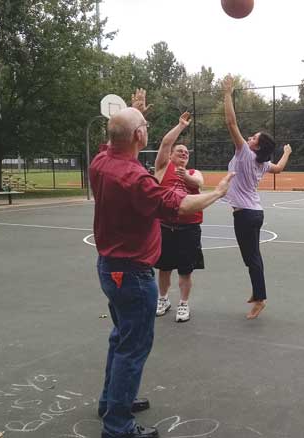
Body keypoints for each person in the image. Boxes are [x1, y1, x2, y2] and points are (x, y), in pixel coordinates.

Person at [90, 102, 233, 438]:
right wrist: (218, 192)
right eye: (144, 125)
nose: (147, 127)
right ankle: (118, 427)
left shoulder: (100, 161)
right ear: (139, 135)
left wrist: (130, 112)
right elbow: (180, 205)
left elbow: (116, 137)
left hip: (110, 268)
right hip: (132, 274)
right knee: (132, 348)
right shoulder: (136, 179)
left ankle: (112, 401)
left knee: (121, 338)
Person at [222, 75, 292, 319]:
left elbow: (231, 123)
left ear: (256, 147)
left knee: (250, 258)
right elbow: (280, 168)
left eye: (253, 138)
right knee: (253, 256)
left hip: (245, 215)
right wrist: (287, 152)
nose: (248, 138)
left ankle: (260, 299)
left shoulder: (245, 154)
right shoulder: (262, 163)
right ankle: (257, 292)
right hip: (255, 213)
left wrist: (228, 93)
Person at [152, 111, 204, 323]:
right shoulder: (163, 168)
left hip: (188, 228)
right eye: (179, 151)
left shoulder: (194, 171)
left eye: (186, 152)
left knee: (185, 270)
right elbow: (165, 143)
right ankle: (163, 299)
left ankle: (183, 303)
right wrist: (181, 126)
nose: (184, 153)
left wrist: (187, 176)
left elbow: (198, 183)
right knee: (164, 268)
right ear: (171, 155)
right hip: (165, 226)